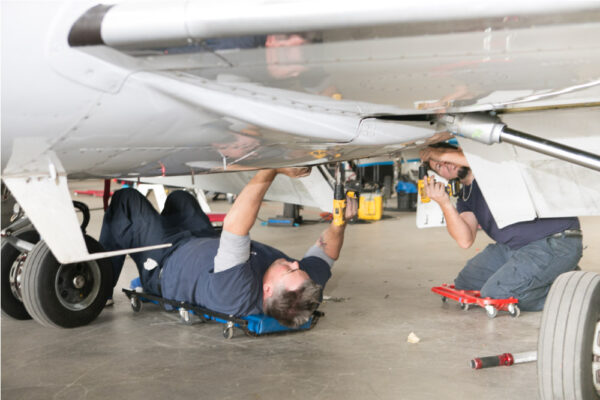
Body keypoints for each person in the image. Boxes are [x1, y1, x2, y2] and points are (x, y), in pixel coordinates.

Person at [99, 167, 357, 327]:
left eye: (290, 270)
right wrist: (339, 223)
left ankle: (102, 287)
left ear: (267, 290)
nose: (295, 263)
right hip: (199, 240)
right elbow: (326, 254)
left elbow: (235, 225)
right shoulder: (301, 292)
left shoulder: (236, 292)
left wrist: (270, 170)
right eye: (297, 267)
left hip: (164, 261)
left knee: (126, 200)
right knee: (180, 199)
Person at [419, 143, 583, 311]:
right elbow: (465, 240)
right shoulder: (466, 197)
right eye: (440, 166)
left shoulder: (494, 166)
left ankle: (578, 291)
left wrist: (435, 153)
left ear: (460, 152)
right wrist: (444, 203)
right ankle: (559, 274)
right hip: (515, 249)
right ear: (441, 176)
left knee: (499, 294)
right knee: (466, 284)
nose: (447, 165)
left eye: (446, 157)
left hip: (554, 243)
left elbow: (478, 161)